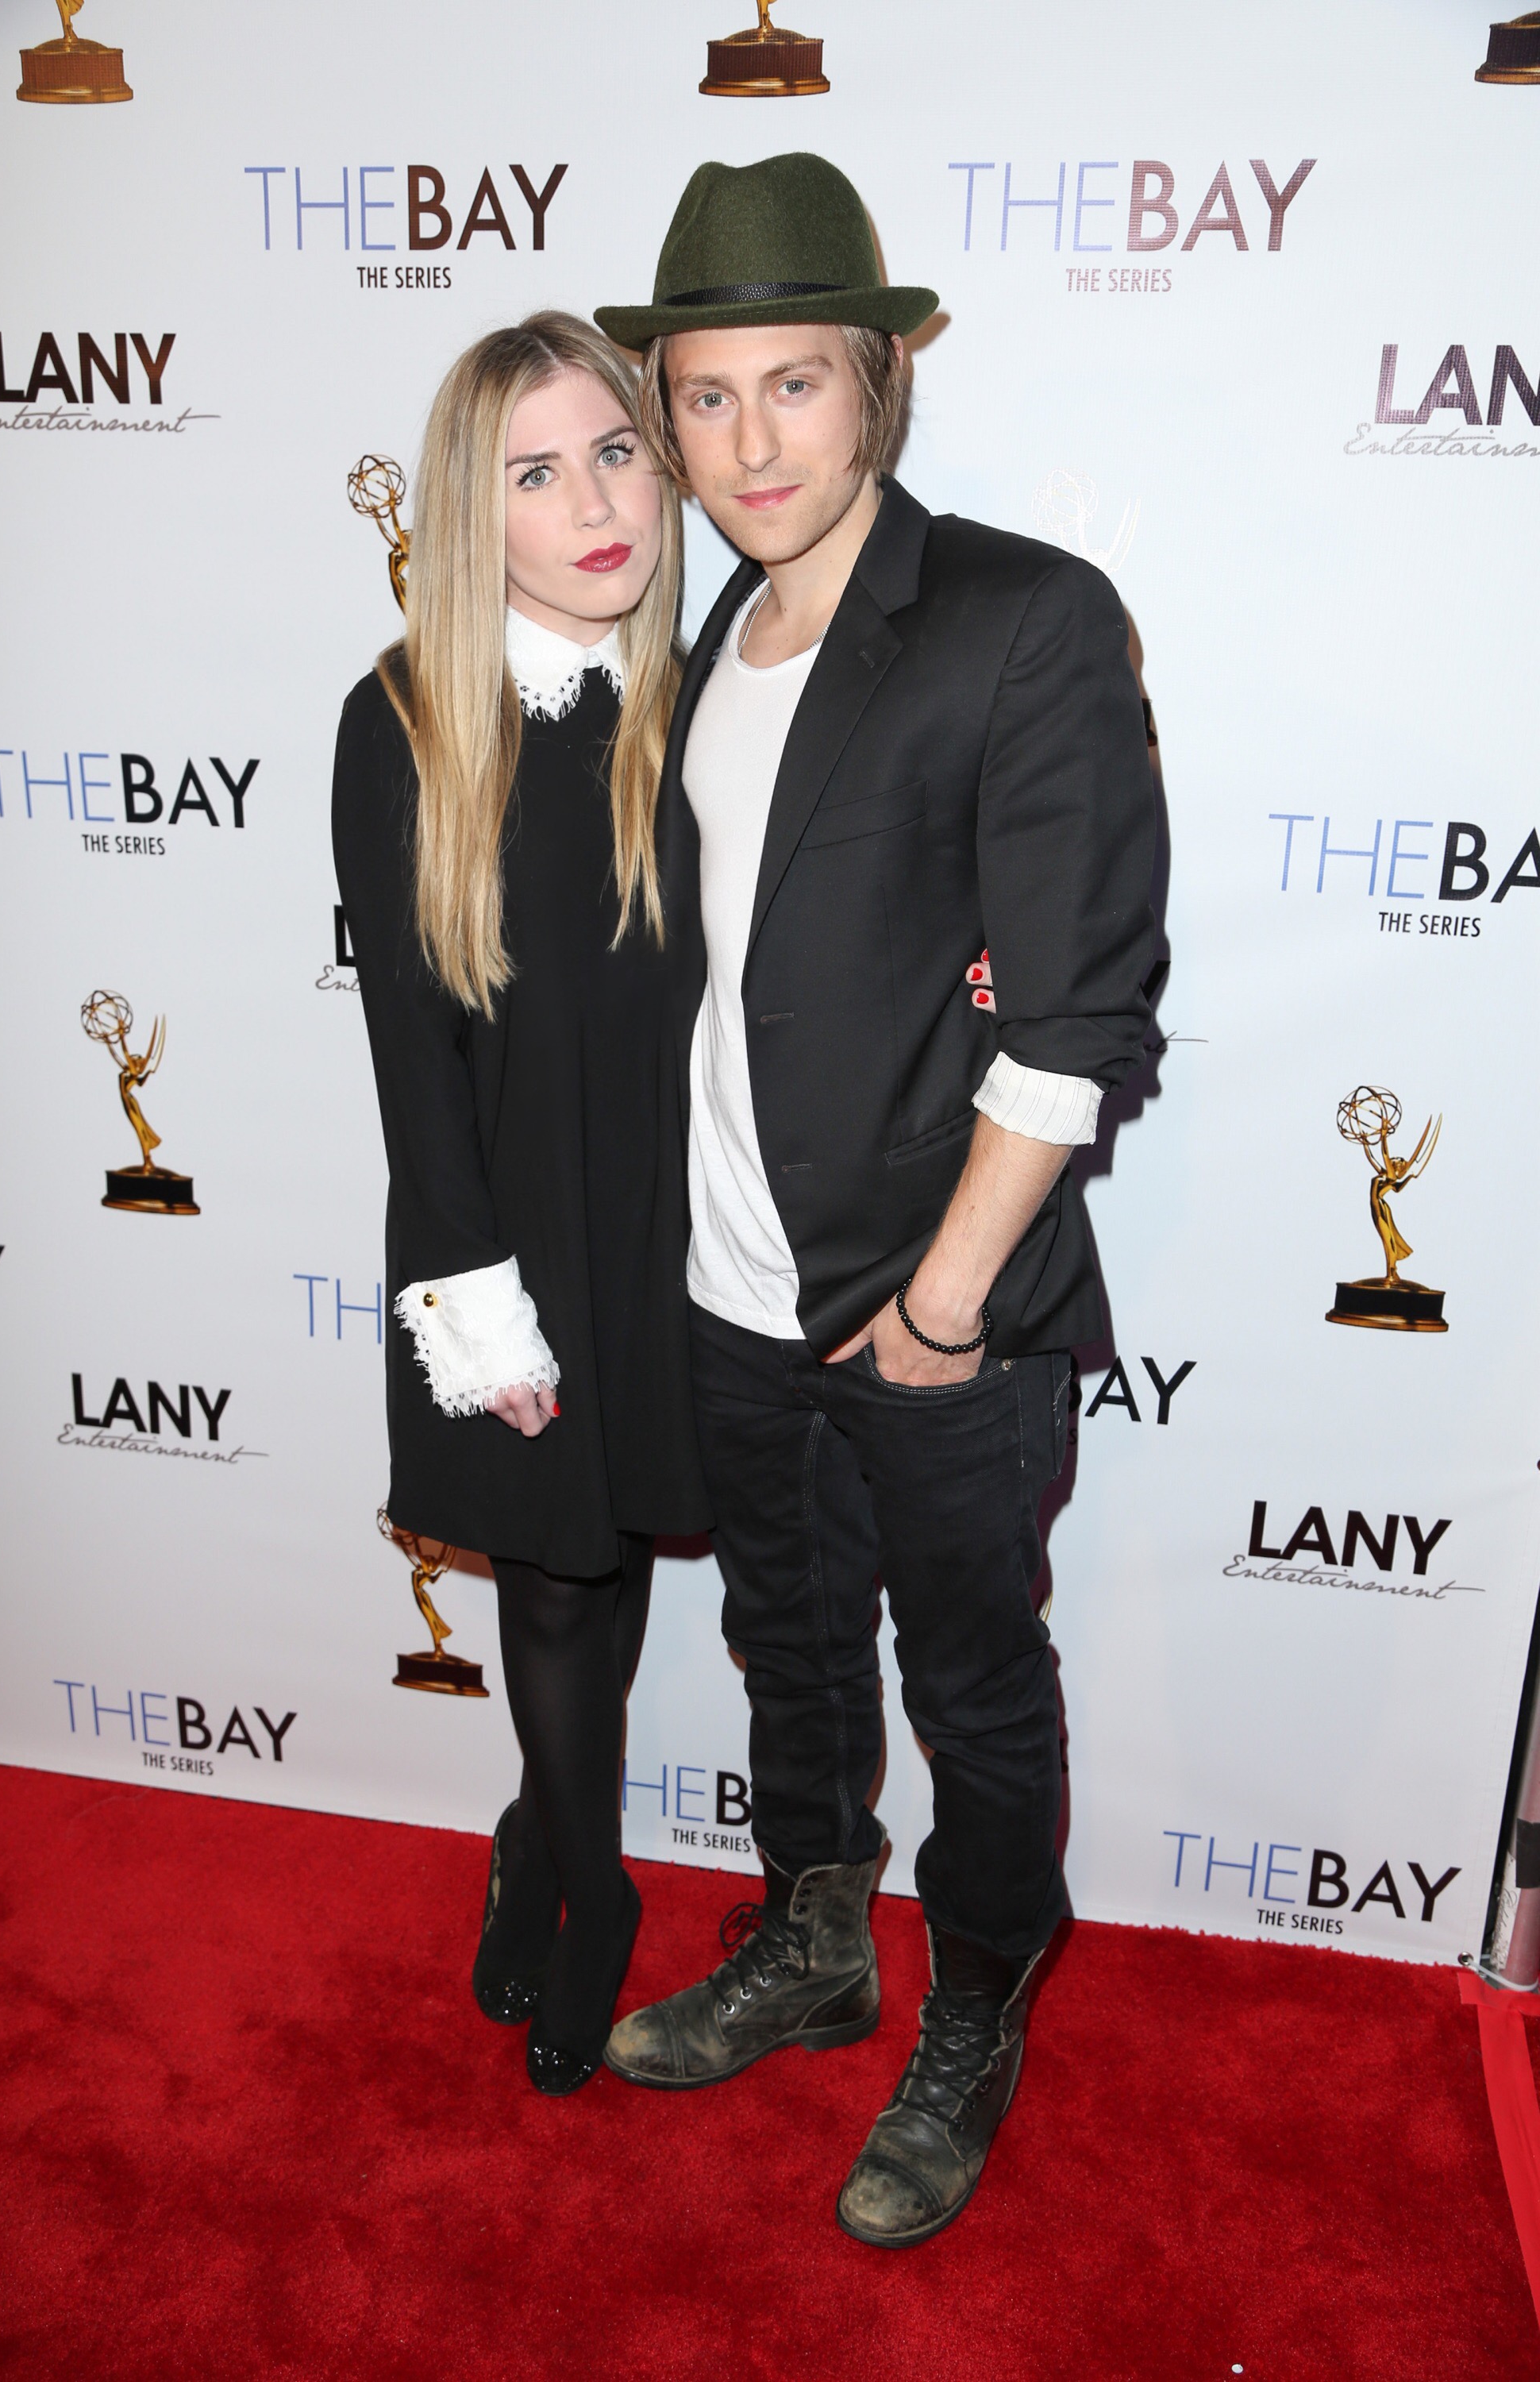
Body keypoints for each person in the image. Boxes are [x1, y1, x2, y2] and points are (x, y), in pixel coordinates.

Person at [594, 154, 1157, 2243]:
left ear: (881, 387)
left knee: (978, 1678)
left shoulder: (1015, 619)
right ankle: (816, 1943)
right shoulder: (694, 646)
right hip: (732, 1300)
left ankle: (982, 2004)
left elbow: (1075, 1016)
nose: (747, 444)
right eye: (708, 398)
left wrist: (941, 1306)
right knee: (789, 1653)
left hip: (944, 1307)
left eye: (795, 388)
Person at [331, 312, 710, 2096]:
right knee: (556, 1581)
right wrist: (481, 1311)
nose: (594, 502)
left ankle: (530, 1835)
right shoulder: (405, 713)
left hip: (675, 1215)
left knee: (613, 1546)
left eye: (615, 452)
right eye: (536, 474)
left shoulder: (697, 693)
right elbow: (412, 1055)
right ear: (473, 515)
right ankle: (593, 1888)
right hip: (503, 1221)